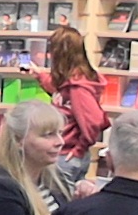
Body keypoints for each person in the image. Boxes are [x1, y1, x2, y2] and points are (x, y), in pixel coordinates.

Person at [30, 26, 108, 182]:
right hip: (63, 153)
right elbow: (59, 92)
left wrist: (79, 149)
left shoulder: (78, 87)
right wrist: (39, 75)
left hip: (67, 157)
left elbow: (93, 121)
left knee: (60, 203)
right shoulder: (70, 80)